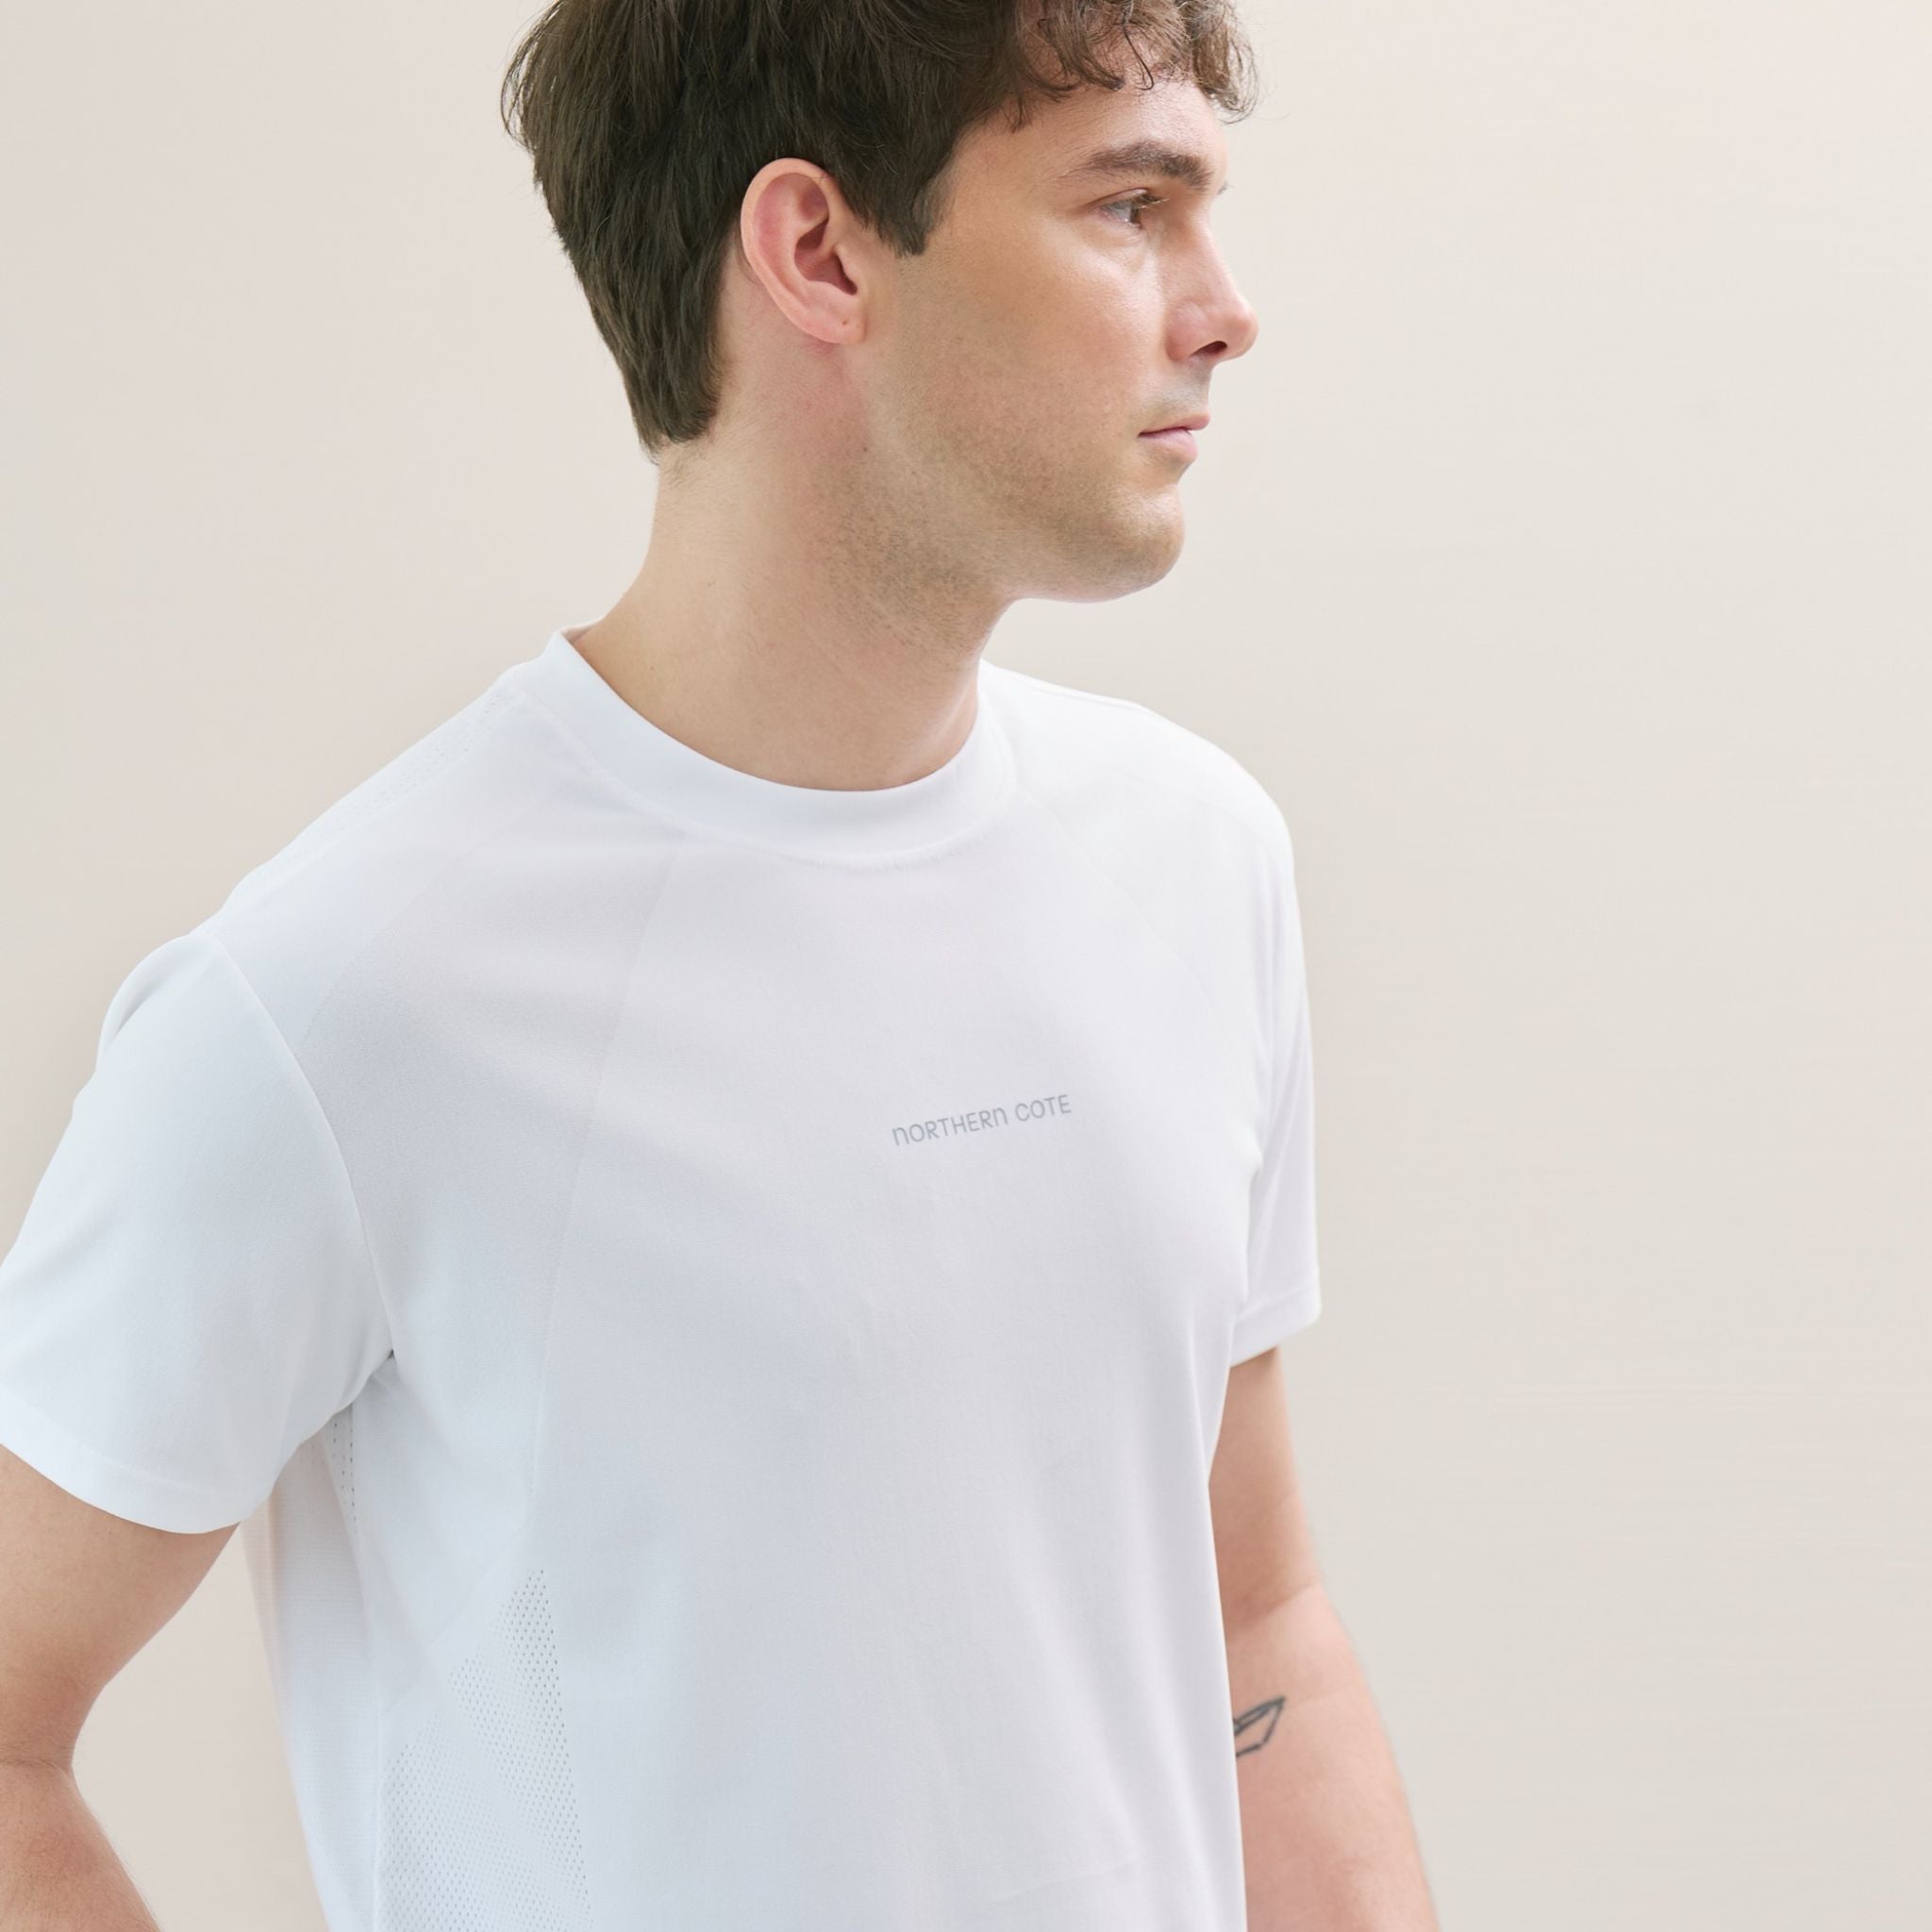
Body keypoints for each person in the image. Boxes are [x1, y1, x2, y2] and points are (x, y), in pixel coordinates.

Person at [0, 2, 1438, 1926]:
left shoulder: (1196, 859)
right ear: (819, 251)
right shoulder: (341, 999)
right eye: (1130, 206)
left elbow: (1252, 1620)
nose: (1225, 309)